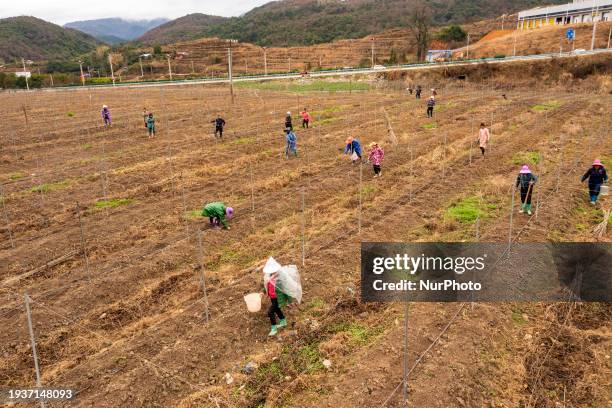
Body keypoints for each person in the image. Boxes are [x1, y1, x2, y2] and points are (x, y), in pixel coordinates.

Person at [263, 257, 288, 337]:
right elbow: (267, 285)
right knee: (277, 309)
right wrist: (263, 292)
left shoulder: (279, 277)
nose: (272, 272)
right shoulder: (269, 276)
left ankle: (274, 328)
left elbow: (283, 286)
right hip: (272, 297)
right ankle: (283, 321)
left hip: (278, 298)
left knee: (270, 312)